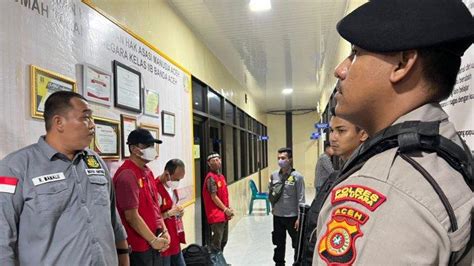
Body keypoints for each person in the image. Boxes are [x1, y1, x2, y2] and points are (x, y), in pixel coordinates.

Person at [313, 0, 473, 265]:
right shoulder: (440, 150)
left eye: (355, 54)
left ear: (403, 63)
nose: (340, 69)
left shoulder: (385, 191)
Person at [0, 91, 129, 265]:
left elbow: (113, 219)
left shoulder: (95, 162)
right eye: (86, 118)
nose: (93, 125)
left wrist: (123, 257)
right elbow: (3, 239)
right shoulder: (15, 167)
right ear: (59, 122)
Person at [301, 115, 368, 265]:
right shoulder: (337, 176)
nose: (333, 138)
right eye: (331, 131)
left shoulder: (363, 177)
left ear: (363, 134)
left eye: (341, 131)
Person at [114, 128, 170, 266]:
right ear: (134, 149)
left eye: (152, 146)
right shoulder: (127, 175)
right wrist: (153, 240)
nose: (152, 149)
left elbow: (155, 206)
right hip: (139, 246)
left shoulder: (147, 172)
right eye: (147, 146)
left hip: (154, 241)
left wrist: (164, 231)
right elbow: (131, 217)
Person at [269, 147, 305, 266]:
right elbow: (271, 193)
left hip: (292, 217)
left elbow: (301, 198)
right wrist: (272, 206)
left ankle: (297, 263)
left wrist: (300, 218)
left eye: (283, 158)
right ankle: (279, 264)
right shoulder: (274, 175)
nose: (280, 160)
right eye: (278, 158)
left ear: (290, 159)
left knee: (296, 244)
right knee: (278, 243)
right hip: (278, 216)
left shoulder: (297, 177)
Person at [155, 159, 187, 266]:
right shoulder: (156, 189)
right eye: (176, 179)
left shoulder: (172, 188)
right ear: (167, 174)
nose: (177, 182)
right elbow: (152, 217)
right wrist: (169, 213)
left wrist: (179, 212)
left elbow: (173, 206)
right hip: (164, 239)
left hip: (175, 237)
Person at [202, 152, 234, 256]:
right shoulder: (211, 178)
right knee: (216, 243)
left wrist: (228, 209)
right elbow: (214, 196)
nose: (216, 162)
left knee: (224, 241)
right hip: (216, 215)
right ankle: (214, 262)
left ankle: (220, 261)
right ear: (208, 163)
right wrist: (225, 209)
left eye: (218, 159)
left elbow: (224, 195)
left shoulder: (221, 176)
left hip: (224, 214)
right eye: (213, 160)